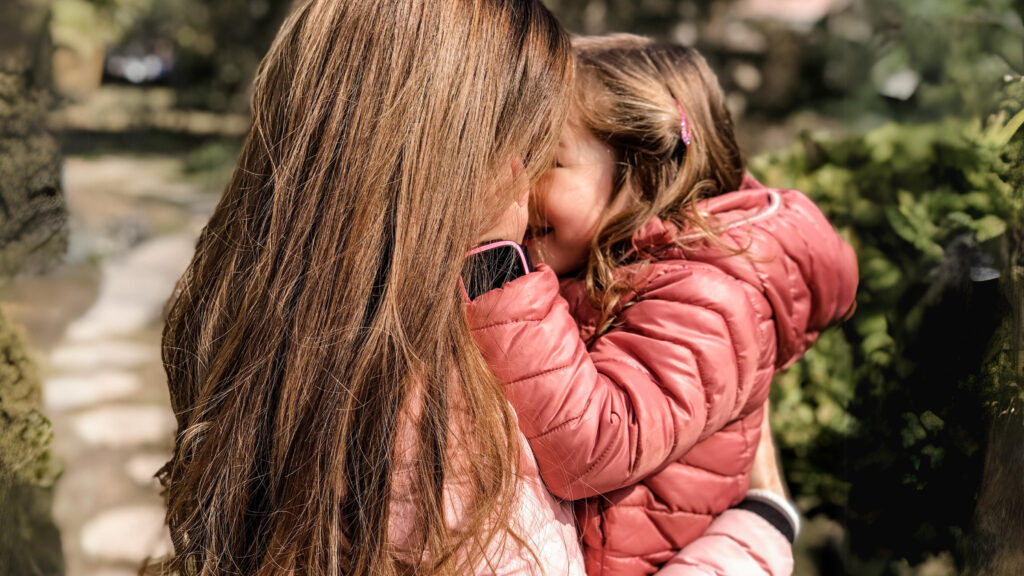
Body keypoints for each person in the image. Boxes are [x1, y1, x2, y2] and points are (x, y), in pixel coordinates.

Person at [153, 2, 797, 574]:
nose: (533, 188)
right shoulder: (447, 430)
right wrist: (761, 527)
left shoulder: (274, 343)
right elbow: (592, 441)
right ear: (463, 156)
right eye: (534, 150)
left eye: (551, 158)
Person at [464, 34, 858, 575]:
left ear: (643, 175)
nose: (521, 184)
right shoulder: (619, 268)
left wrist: (495, 269)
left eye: (547, 160)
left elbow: (593, 445)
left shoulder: (711, 300)